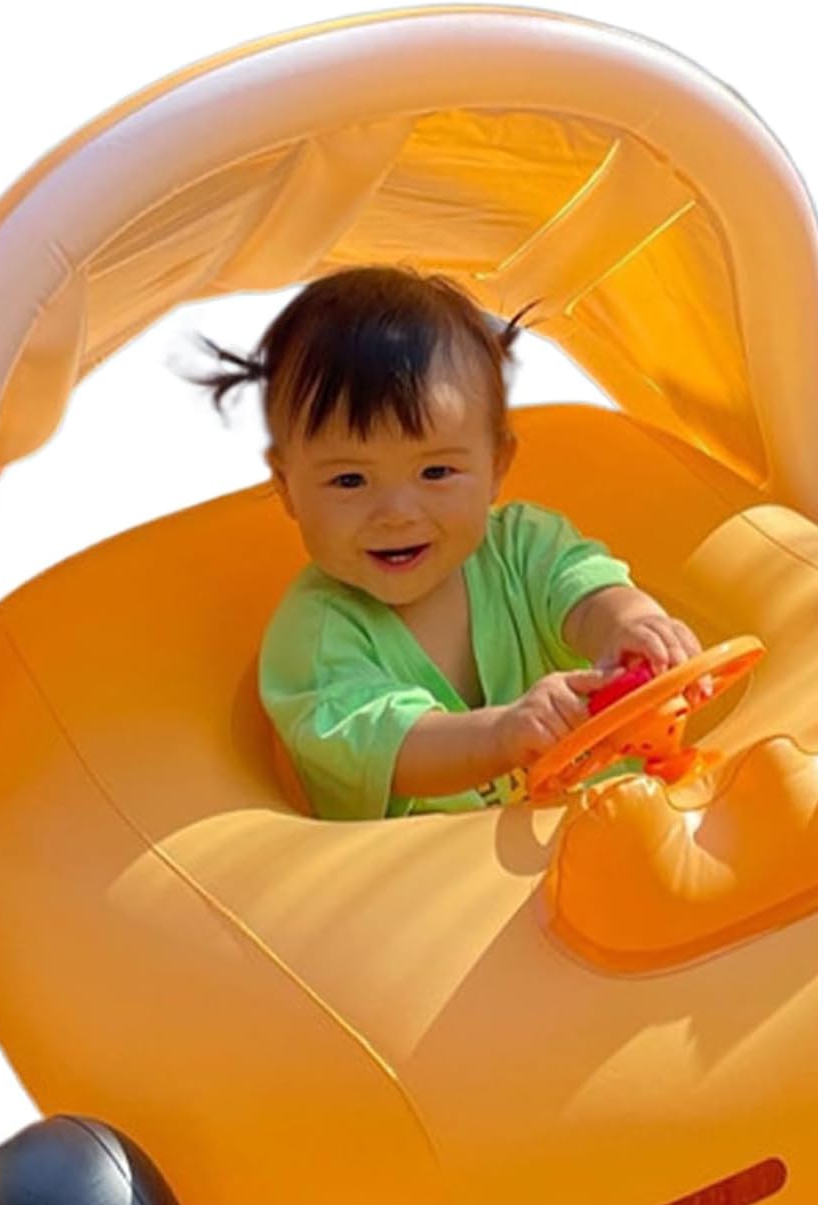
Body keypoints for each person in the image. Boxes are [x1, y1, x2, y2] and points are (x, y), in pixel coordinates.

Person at [178, 263, 710, 820]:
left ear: (496, 465)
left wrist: (632, 628)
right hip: (441, 871)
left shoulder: (523, 544)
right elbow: (397, 748)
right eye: (349, 480)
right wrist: (501, 734)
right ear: (288, 487)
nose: (396, 514)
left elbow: (586, 593)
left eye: (436, 473)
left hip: (607, 827)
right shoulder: (314, 639)